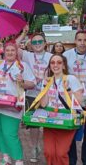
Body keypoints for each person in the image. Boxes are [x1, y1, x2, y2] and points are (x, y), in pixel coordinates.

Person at [0, 40, 36, 165]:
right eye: (8, 50)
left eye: (13, 50)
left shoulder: (22, 66)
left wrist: (22, 82)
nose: (10, 52)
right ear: (4, 52)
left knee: (10, 134)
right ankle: (6, 157)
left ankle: (18, 159)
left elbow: (32, 83)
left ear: (16, 51)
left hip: (12, 107)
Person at [16, 27, 53, 163]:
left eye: (40, 42)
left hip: (48, 95)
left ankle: (50, 149)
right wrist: (24, 33)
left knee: (49, 123)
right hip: (31, 94)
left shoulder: (51, 57)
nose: (37, 44)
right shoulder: (27, 55)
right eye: (35, 42)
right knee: (34, 124)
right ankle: (34, 147)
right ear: (31, 44)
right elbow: (13, 46)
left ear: (45, 43)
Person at [39, 54, 84, 165]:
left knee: (60, 153)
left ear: (64, 66)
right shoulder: (47, 81)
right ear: (49, 66)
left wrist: (68, 90)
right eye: (52, 63)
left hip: (66, 120)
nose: (55, 65)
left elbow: (81, 101)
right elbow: (43, 104)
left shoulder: (71, 79)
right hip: (49, 121)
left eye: (59, 62)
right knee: (48, 152)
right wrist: (45, 87)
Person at [63, 30, 86, 165]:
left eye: (85, 40)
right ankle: (71, 160)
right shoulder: (66, 55)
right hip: (72, 100)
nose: (82, 43)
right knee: (70, 133)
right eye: (79, 40)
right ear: (75, 41)